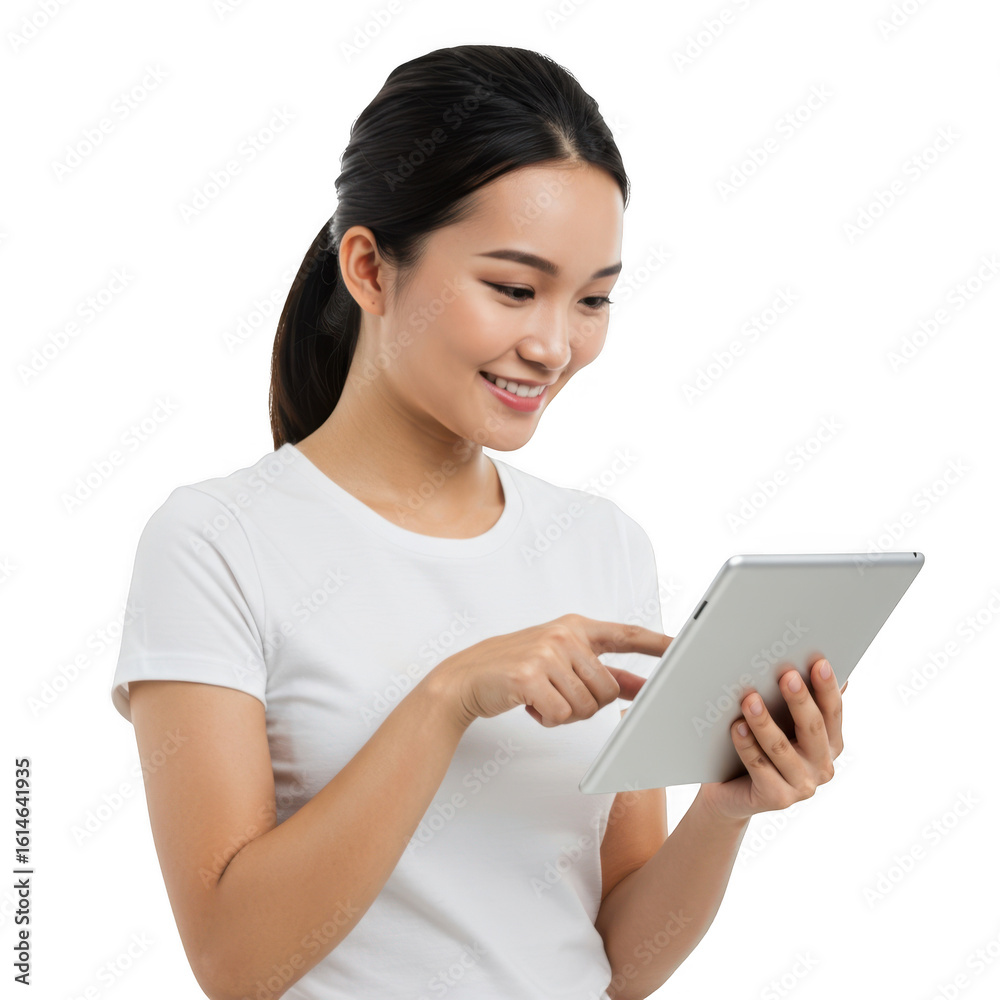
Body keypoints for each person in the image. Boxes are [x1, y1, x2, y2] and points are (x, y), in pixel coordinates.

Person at [109, 43, 845, 1000]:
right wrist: (449, 694)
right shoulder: (215, 543)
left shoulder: (601, 544)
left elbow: (618, 964)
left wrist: (725, 808)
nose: (552, 344)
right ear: (370, 269)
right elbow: (236, 964)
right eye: (512, 288)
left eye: (593, 299)